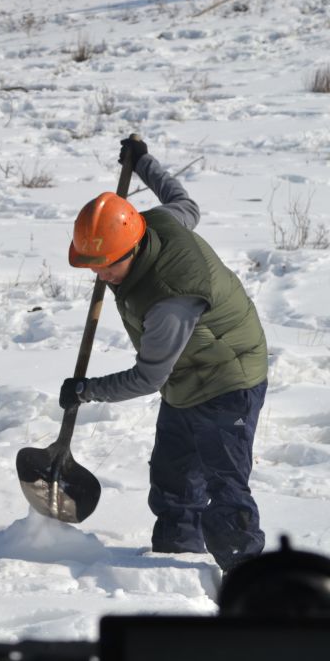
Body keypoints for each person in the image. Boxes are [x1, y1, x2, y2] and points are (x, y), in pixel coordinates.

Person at [61, 137, 267, 573]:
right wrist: (143, 163)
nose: (99, 273)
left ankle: (248, 580)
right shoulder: (155, 224)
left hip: (228, 377)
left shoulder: (170, 300)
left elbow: (147, 377)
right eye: (92, 263)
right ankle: (175, 565)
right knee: (173, 481)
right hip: (185, 377)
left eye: (105, 264)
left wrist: (87, 390)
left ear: (132, 248)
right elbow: (183, 202)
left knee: (225, 488)